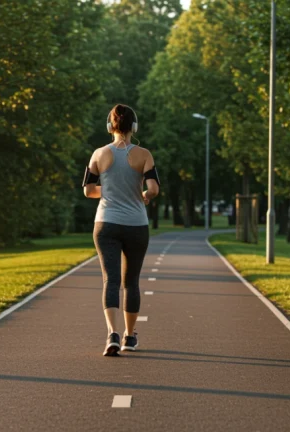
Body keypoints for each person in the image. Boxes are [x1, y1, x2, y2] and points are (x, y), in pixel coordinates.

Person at [82, 104, 160, 356]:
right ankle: (129, 336)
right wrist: (144, 195)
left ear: (110, 126)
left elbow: (88, 190)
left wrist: (109, 191)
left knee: (111, 280)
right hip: (136, 225)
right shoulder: (144, 154)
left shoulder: (98, 154)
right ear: (134, 127)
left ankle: (112, 334)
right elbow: (153, 189)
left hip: (105, 224)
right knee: (131, 282)